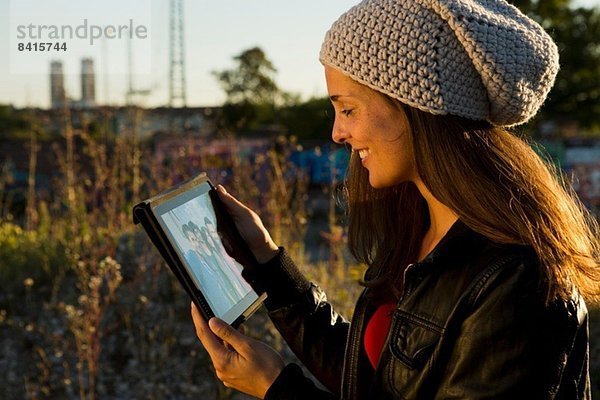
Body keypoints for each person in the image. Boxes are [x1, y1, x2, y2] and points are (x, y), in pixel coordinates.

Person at [190, 0, 600, 398]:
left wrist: (276, 388)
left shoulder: (517, 278)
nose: (337, 133)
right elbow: (376, 377)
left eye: (348, 109)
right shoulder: (422, 229)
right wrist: (267, 261)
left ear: (415, 108)